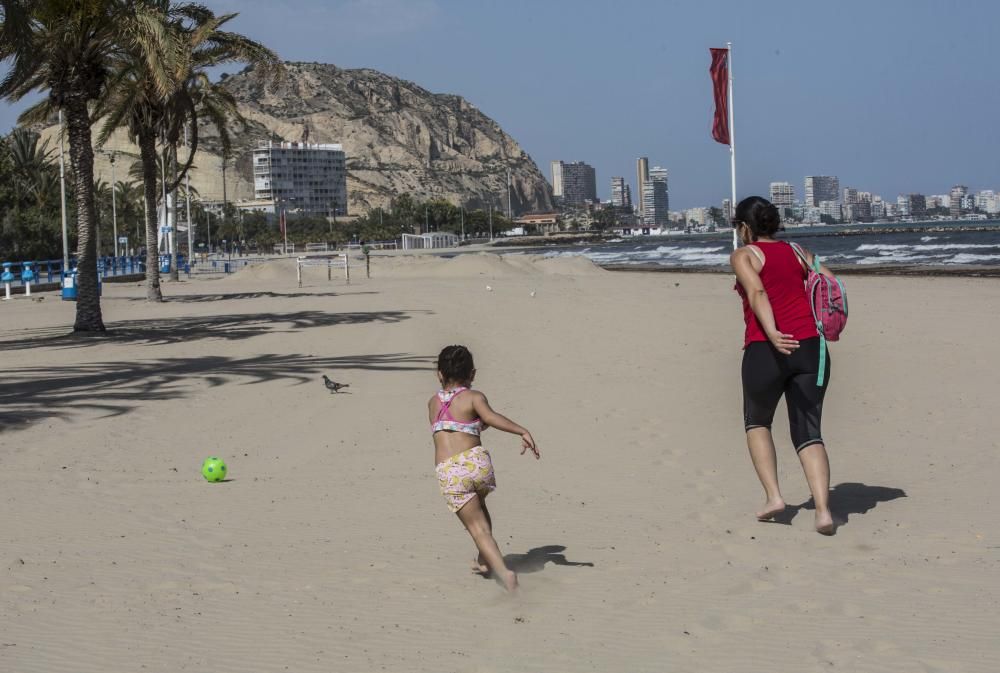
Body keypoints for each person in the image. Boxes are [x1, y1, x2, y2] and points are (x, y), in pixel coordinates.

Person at [730, 196, 837, 535]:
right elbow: (830, 284)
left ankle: (775, 498)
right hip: (811, 348)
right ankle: (823, 512)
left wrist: (774, 333)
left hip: (767, 348)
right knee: (809, 431)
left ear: (745, 227)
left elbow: (757, 293)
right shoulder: (798, 252)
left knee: (757, 421)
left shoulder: (744, 255)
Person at [428, 345, 539, 591]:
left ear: (439, 374)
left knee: (477, 528)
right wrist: (522, 430)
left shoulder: (432, 403)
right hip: (477, 463)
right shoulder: (474, 397)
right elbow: (485, 420)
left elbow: (451, 427)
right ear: (473, 374)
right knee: (480, 512)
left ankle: (505, 575)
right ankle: (485, 561)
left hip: (451, 470)